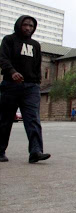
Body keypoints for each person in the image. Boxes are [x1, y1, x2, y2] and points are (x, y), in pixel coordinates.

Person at [0, 15, 51, 163]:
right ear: (19, 25)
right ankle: (0, 150)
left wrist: (37, 82)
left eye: (31, 26)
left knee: (33, 119)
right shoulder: (9, 40)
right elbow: (3, 59)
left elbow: (37, 65)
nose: (28, 28)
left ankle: (36, 151)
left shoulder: (35, 45)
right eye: (25, 25)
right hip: (11, 85)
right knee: (5, 119)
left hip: (31, 87)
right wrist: (12, 72)